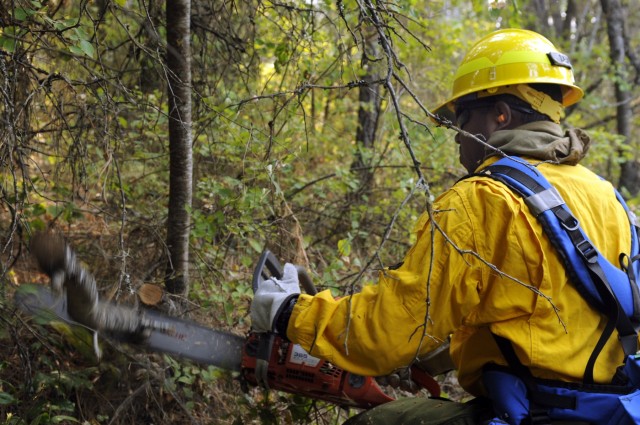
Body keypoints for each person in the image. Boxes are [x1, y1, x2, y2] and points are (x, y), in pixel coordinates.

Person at [250, 28, 639, 424]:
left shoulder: (482, 200)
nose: (456, 138)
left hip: (532, 414)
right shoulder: (608, 198)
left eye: (460, 119)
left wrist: (288, 313)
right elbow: (541, 314)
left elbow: (383, 332)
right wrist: (431, 358)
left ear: (499, 115)